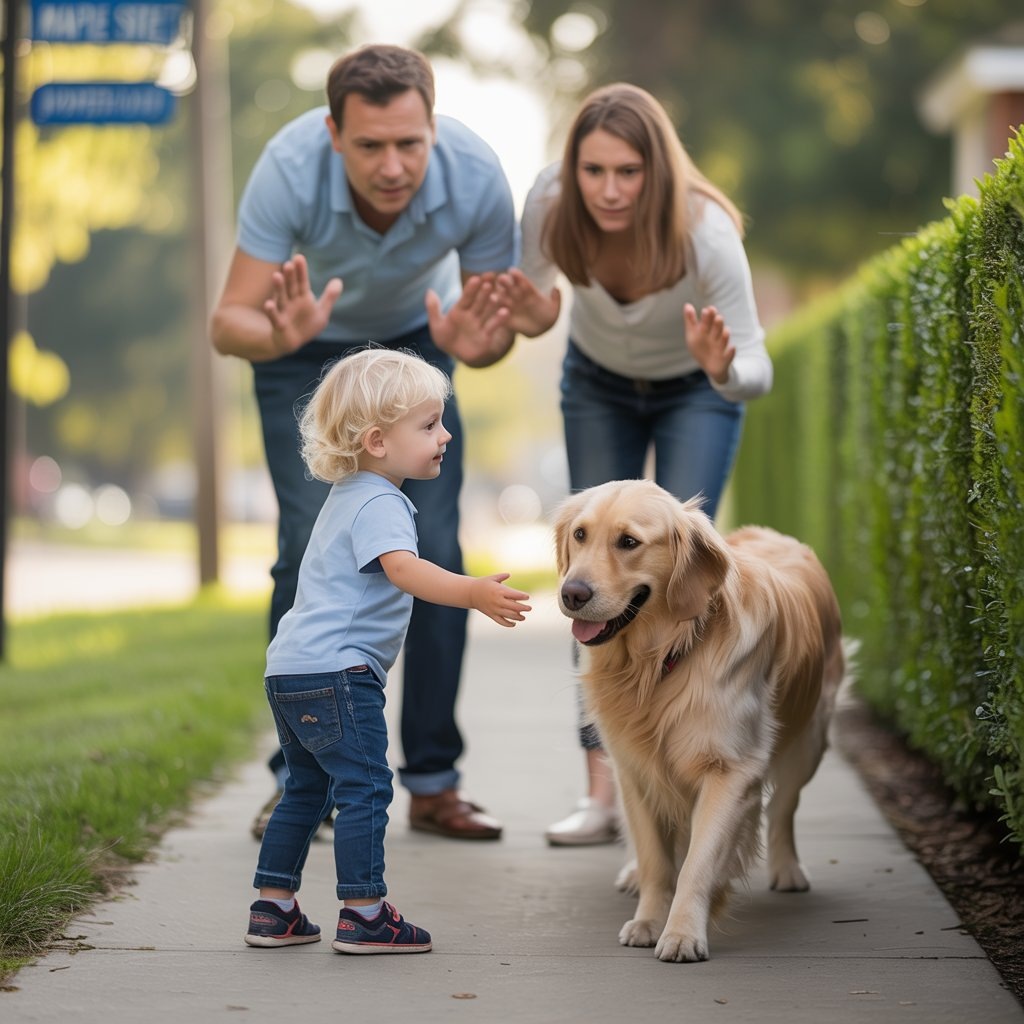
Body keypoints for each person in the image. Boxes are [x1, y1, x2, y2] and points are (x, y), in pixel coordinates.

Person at [211, 44, 518, 842]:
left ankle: (433, 780)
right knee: (308, 548)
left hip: (421, 338)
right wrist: (282, 331)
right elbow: (228, 323)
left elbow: (492, 338)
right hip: (302, 347)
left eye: (409, 144)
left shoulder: (478, 177)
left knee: (438, 549)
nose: (392, 165)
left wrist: (475, 345)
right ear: (333, 133)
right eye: (371, 145)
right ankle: (298, 781)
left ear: (433, 130)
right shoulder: (288, 170)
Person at [492, 82, 773, 846]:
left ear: (658, 169)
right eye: (593, 171)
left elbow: (757, 368)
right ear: (571, 170)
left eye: (628, 172)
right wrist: (528, 316)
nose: (609, 190)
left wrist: (721, 368)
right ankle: (605, 794)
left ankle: (697, 766)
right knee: (592, 584)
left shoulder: (705, 231)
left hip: (698, 390)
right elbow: (536, 304)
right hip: (597, 383)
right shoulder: (551, 201)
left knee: (682, 576)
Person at [243, 348, 531, 953]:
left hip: (291, 668)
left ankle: (274, 908)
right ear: (376, 440)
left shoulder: (347, 496)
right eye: (428, 425)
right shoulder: (382, 503)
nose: (445, 434)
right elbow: (403, 570)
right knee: (366, 789)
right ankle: (365, 913)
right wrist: (471, 592)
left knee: (305, 790)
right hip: (340, 674)